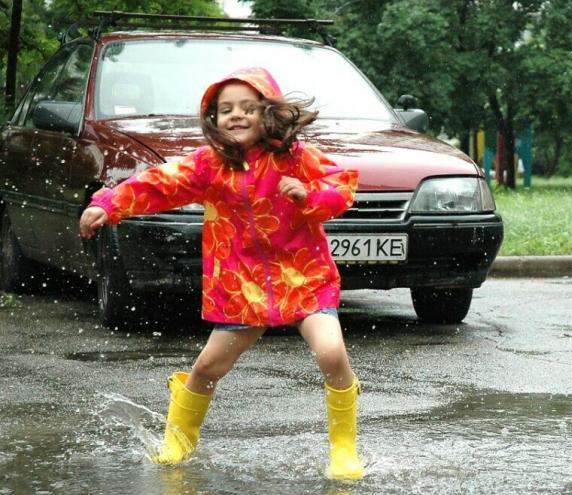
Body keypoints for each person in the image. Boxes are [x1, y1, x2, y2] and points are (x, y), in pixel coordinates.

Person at [79, 67, 364, 480]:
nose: (237, 116)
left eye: (248, 108)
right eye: (226, 109)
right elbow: (160, 183)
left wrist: (310, 195)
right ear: (213, 119)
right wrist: (109, 205)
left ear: (269, 113)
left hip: (303, 277)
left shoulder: (296, 158)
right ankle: (178, 438)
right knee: (208, 368)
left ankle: (343, 448)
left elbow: (342, 186)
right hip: (241, 284)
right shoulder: (210, 165)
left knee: (331, 352)